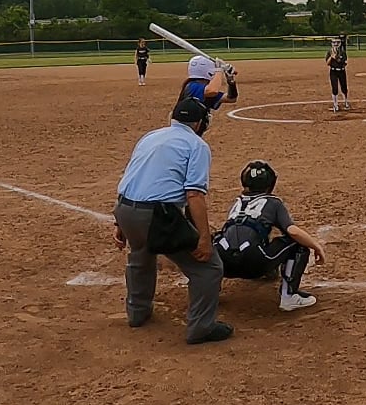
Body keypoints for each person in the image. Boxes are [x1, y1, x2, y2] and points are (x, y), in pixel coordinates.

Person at [112, 95, 230, 344]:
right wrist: (204, 238)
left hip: (124, 208)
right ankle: (201, 328)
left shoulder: (150, 136)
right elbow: (194, 194)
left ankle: (137, 313)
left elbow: (132, 177)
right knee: (208, 268)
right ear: (200, 123)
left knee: (141, 255)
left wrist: (120, 223)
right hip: (156, 215)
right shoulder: (197, 145)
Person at [215, 160, 328, 312]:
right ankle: (289, 296)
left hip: (223, 265)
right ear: (270, 183)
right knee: (297, 244)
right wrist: (316, 246)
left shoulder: (237, 203)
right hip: (254, 264)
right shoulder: (273, 202)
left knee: (216, 239)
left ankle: (209, 293)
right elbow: (293, 231)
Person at [327, 35, 350, 110]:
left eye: (337, 42)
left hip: (341, 71)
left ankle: (346, 102)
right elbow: (327, 63)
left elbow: (344, 62)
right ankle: (335, 104)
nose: (335, 44)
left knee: (344, 87)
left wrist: (336, 57)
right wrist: (331, 57)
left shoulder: (342, 52)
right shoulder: (330, 52)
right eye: (334, 43)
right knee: (334, 88)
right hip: (333, 71)